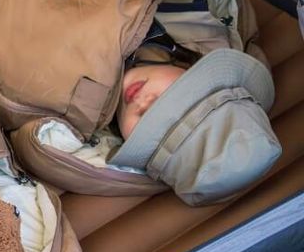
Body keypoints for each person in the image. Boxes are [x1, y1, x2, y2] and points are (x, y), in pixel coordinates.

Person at [110, 20, 282, 206]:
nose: (144, 102)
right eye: (172, 97)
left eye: (146, 124)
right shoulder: (194, 17)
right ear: (193, 70)